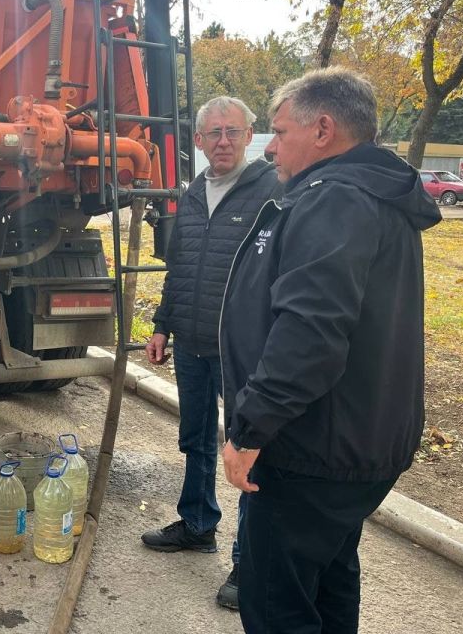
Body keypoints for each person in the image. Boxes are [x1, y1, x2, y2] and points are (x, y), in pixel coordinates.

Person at [220, 68, 441, 633]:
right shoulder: (370, 196)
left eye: (278, 131)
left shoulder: (335, 200)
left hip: (310, 447)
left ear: (322, 129)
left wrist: (250, 429)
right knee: (329, 582)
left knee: (278, 607)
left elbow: (311, 333)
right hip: (353, 444)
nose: (269, 148)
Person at [140, 96, 281, 610]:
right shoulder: (192, 193)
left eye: (232, 132)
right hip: (193, 343)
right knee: (196, 439)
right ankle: (198, 524)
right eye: (213, 133)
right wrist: (161, 326)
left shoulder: (273, 190)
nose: (222, 141)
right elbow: (179, 268)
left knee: (246, 452)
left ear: (250, 136)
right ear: (197, 142)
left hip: (243, 351)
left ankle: (251, 563)